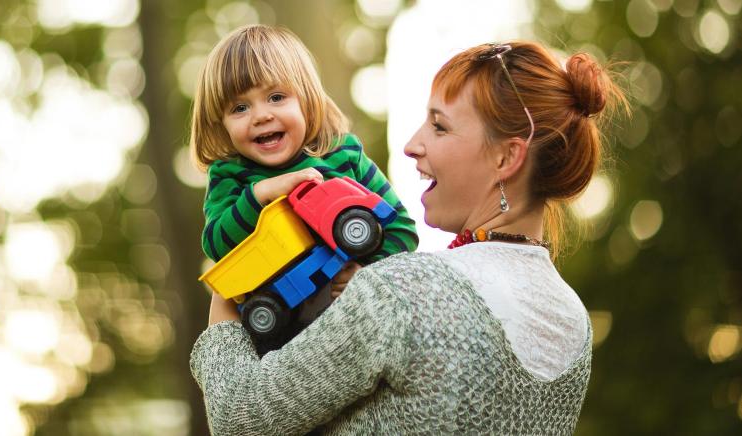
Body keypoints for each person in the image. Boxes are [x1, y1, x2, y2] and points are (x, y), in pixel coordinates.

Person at [191, 40, 627, 435]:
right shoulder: (573, 322)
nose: (411, 146)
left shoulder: (401, 292)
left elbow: (240, 419)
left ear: (506, 156)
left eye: (439, 126)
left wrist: (228, 288)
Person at [189, 24, 419, 341]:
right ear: (221, 124)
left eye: (276, 97)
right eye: (240, 108)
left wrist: (367, 273)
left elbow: (402, 229)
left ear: (306, 99)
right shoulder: (231, 175)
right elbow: (216, 245)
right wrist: (260, 194)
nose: (260, 116)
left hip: (354, 324)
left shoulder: (343, 156)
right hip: (280, 332)